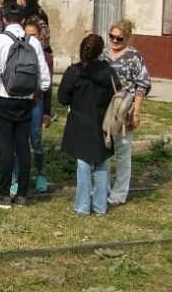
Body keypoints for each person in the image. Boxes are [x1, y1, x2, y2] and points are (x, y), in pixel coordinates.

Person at [0, 6, 51, 209]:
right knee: (23, 146)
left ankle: (3, 195)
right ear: (22, 21)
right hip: (26, 102)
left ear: (3, 19)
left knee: (5, 147)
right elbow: (44, 80)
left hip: (3, 99)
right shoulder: (34, 42)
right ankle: (22, 195)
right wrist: (35, 98)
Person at [59, 34, 118, 216]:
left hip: (79, 122)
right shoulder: (108, 71)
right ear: (101, 52)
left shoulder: (74, 72)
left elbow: (62, 99)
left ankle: (82, 206)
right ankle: (100, 206)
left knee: (83, 163)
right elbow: (117, 93)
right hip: (102, 123)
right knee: (101, 162)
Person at [104, 19, 151, 207]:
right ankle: (103, 187)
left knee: (122, 152)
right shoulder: (103, 55)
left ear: (127, 39)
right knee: (103, 151)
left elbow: (143, 84)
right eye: (112, 37)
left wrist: (137, 111)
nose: (115, 41)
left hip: (124, 109)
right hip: (104, 108)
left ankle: (119, 193)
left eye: (119, 39)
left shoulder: (134, 57)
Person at [22, 19, 55, 193]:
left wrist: (47, 112)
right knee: (19, 141)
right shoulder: (16, 51)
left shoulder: (47, 57)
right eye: (26, 34)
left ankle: (41, 173)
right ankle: (18, 177)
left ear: (39, 36)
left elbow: (47, 87)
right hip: (19, 102)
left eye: (33, 35)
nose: (29, 38)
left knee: (35, 138)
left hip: (36, 102)